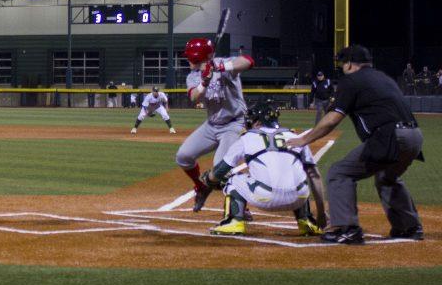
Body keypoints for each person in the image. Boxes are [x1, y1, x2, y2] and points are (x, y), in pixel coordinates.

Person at [287, 45, 425, 244]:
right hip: (414, 136)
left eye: (343, 64)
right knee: (387, 177)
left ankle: (346, 228)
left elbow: (333, 118)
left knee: (339, 172)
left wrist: (304, 139)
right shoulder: (384, 78)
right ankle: (409, 227)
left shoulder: (351, 81)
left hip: (391, 136)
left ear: (350, 64)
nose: (342, 67)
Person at [199, 100, 325, 236]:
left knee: (231, 178)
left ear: (258, 122)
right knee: (297, 175)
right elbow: (315, 176)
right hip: (298, 198)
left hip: (265, 198)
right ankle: (306, 221)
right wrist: (321, 212)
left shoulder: (247, 138)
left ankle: (234, 221)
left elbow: (220, 170)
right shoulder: (296, 137)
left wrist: (208, 179)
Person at [175, 37, 255, 212]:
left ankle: (240, 207)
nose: (187, 60)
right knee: (183, 156)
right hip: (211, 126)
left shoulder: (223, 64)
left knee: (221, 167)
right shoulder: (193, 76)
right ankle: (201, 187)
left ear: (197, 57)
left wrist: (221, 68)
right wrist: (204, 81)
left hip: (233, 124)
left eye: (190, 57)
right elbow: (193, 97)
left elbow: (248, 61)